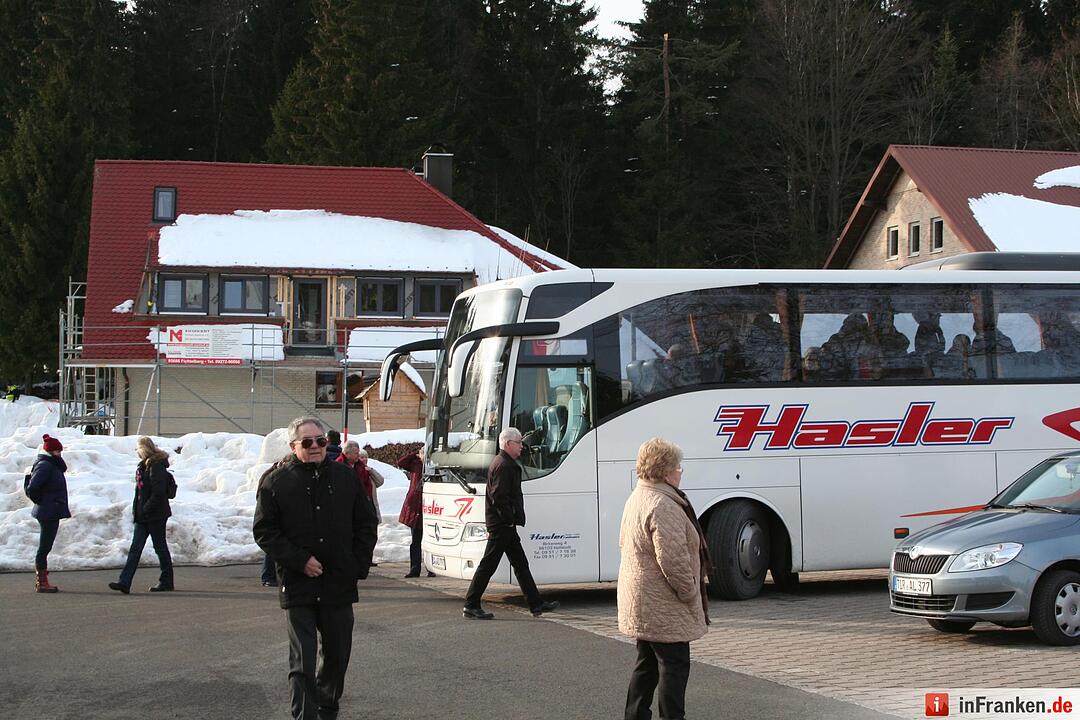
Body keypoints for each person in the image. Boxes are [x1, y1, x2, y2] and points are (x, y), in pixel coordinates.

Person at [253, 417, 378, 720]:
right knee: (303, 661)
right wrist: (298, 560)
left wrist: (357, 566)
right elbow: (265, 531)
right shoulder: (276, 482)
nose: (315, 447)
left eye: (320, 441)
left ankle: (326, 708)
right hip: (299, 585)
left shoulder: (345, 478)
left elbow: (366, 523)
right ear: (294, 446)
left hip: (338, 584)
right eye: (307, 442)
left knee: (336, 658)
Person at [619, 437, 710, 720]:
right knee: (674, 666)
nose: (681, 472)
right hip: (663, 603)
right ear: (666, 471)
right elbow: (672, 559)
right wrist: (689, 592)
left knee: (646, 664)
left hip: (644, 598)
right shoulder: (664, 504)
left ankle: (635, 715)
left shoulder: (639, 497)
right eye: (678, 467)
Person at [462, 427, 559, 620]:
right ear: (508, 444)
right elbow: (499, 497)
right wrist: (508, 520)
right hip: (501, 525)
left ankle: (535, 604)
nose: (522, 446)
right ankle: (471, 604)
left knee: (520, 564)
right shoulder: (504, 465)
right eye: (519, 443)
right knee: (488, 565)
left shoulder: (504, 463)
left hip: (504, 524)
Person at [109, 436, 175, 594]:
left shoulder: (156, 466)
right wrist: (138, 510)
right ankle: (124, 582)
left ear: (143, 449)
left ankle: (167, 581)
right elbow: (140, 492)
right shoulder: (144, 466)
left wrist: (145, 508)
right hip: (143, 515)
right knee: (135, 549)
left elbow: (158, 493)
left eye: (138, 448)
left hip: (156, 515)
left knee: (160, 547)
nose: (136, 452)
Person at [26, 434, 71, 593]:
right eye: (58, 451)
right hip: (48, 512)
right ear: (51, 451)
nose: (60, 454)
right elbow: (33, 487)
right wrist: (43, 502)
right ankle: (42, 580)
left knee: (46, 545)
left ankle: (42, 577)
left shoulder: (52, 464)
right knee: (44, 547)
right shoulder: (45, 465)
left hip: (51, 510)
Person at [397, 448, 433, 578]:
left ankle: (431, 567)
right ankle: (415, 568)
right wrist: (415, 454)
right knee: (416, 539)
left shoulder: (434, 466)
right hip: (415, 505)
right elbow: (401, 462)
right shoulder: (416, 464)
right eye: (423, 453)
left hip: (429, 505)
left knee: (430, 539)